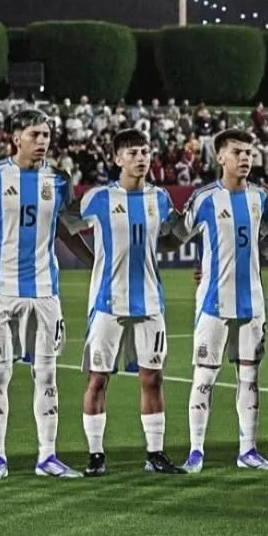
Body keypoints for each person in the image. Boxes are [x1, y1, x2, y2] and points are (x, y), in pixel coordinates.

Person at [0, 108, 95, 480]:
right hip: (0, 292)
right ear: (15, 138)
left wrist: (94, 263)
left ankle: (47, 457)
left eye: (46, 135)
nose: (42, 141)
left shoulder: (59, 181)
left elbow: (66, 229)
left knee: (47, 375)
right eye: (35, 134)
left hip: (45, 293)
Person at [66, 128, 185, 475]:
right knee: (98, 379)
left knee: (152, 378)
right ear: (117, 159)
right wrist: (92, 261)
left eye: (145, 151)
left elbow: (173, 236)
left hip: (150, 302)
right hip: (108, 302)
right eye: (132, 152)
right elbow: (63, 225)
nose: (141, 158)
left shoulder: (160, 198)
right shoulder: (98, 198)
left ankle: (156, 454)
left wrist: (157, 251)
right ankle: (95, 455)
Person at [175, 128, 268, 472]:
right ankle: (195, 452)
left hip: (252, 303)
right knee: (204, 377)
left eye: (249, 152)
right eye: (238, 152)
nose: (246, 158)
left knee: (249, 377)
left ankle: (247, 450)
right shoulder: (205, 198)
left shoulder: (261, 198)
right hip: (213, 303)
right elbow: (177, 234)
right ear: (220, 157)